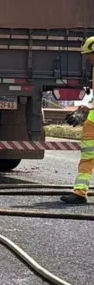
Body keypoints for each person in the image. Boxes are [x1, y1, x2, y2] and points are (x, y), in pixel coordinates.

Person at [61, 36, 94, 204]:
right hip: (92, 123)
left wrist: (89, 109)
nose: (88, 58)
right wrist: (87, 107)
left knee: (88, 157)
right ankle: (80, 192)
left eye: (89, 54)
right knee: (87, 157)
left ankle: (80, 193)